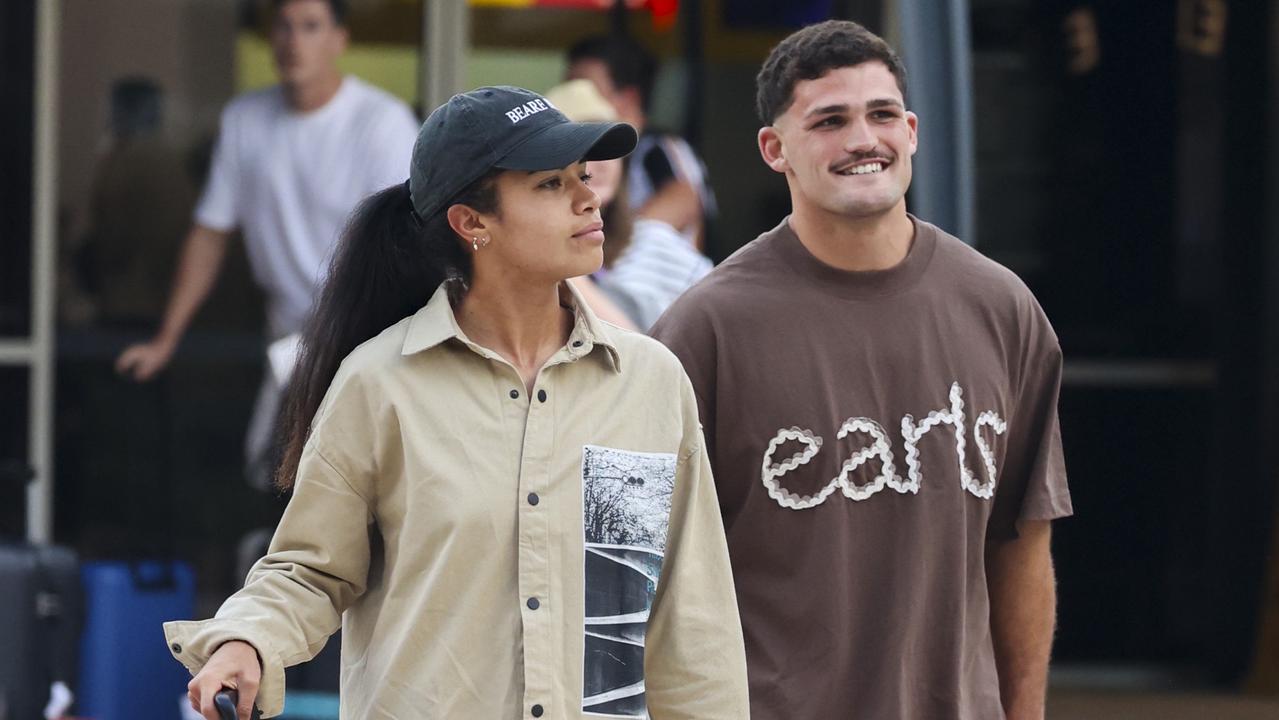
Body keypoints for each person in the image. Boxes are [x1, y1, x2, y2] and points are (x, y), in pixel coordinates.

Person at [163, 85, 750, 720]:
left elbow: (689, 617)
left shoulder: (649, 383)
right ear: (472, 223)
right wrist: (248, 639)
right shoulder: (380, 384)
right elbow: (310, 570)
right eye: (550, 184)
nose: (589, 197)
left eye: (583, 176)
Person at [650, 20, 1073, 720]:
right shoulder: (704, 329)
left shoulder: (1001, 310)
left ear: (909, 131)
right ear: (773, 148)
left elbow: (1022, 545)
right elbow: (637, 565)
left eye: (881, 115)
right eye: (828, 120)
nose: (861, 141)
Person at [114, 0, 419, 488]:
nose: (293, 41)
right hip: (287, 342)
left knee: (363, 487)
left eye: (310, 27)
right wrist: (165, 341)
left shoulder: (381, 121)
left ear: (339, 39)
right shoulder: (245, 119)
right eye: (283, 27)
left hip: (368, 334)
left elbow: (409, 238)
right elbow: (210, 233)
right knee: (280, 486)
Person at [546, 79, 712, 330]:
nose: (602, 163)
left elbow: (719, 327)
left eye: (609, 151)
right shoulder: (528, 258)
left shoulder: (655, 243)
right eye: (585, 150)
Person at [566, 33, 716, 248]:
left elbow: (684, 199)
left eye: (586, 89)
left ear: (629, 99)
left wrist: (607, 244)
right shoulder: (579, 149)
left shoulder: (659, 148)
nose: (575, 98)